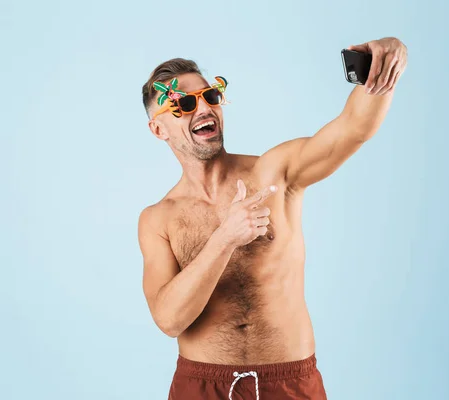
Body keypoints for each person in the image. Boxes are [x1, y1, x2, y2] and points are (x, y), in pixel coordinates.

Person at [138, 37, 408, 399]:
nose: (203, 109)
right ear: (159, 129)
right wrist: (225, 237)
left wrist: (383, 65)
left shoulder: (273, 173)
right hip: (200, 388)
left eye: (210, 97)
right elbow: (169, 320)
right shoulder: (158, 220)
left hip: (289, 383)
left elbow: (353, 129)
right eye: (184, 104)